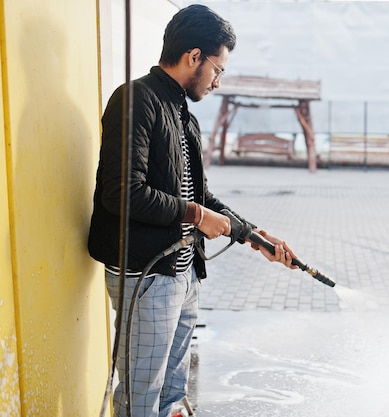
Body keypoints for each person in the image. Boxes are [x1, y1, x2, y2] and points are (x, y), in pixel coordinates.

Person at [88, 5, 296, 417]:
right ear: (194, 56)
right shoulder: (135, 100)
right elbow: (122, 192)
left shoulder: (184, 115)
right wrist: (198, 217)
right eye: (218, 69)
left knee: (170, 394)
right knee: (140, 399)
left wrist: (254, 235)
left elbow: (202, 196)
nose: (218, 82)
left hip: (182, 274)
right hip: (145, 274)